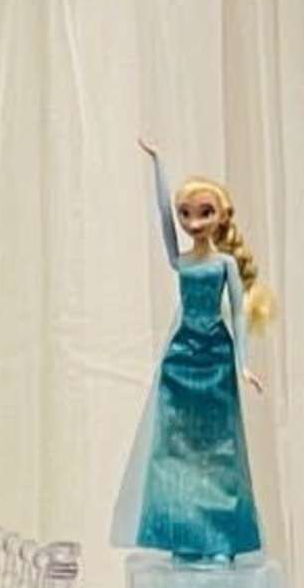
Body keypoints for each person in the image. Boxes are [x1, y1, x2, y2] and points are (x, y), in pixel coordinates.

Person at [112, 150, 271, 561]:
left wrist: (243, 364)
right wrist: (158, 168)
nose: (193, 223)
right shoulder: (181, 261)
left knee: (220, 451)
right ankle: (181, 536)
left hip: (216, 357)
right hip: (180, 359)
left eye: (203, 213)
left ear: (221, 216)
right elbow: (164, 223)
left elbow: (237, 311)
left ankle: (220, 539)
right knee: (173, 451)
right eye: (187, 214)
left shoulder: (224, 265)